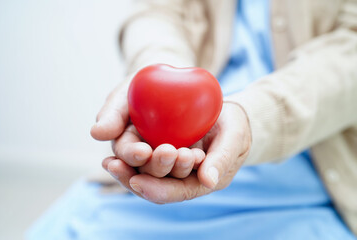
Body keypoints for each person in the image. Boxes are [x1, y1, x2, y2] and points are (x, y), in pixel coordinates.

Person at [27, 0, 357, 239]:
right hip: (144, 196)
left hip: (306, 197)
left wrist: (250, 118)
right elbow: (157, 11)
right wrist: (156, 69)